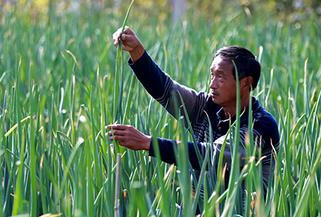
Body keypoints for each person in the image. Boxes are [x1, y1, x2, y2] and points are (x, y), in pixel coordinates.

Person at [108, 27, 279, 199]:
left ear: (245, 82)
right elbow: (166, 90)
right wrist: (136, 51)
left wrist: (148, 143)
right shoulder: (206, 106)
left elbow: (212, 156)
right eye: (211, 75)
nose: (212, 84)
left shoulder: (260, 125)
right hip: (200, 216)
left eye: (220, 77)